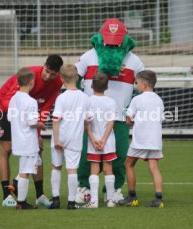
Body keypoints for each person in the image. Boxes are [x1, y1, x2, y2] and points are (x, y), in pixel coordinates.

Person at [75, 18, 145, 203]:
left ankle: (112, 190)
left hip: (120, 116)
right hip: (90, 118)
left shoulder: (135, 61)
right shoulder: (89, 56)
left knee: (120, 155)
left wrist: (136, 110)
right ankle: (84, 188)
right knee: (86, 154)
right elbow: (74, 79)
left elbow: (143, 88)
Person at [0, 54, 63, 207]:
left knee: (36, 150)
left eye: (53, 74)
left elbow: (46, 106)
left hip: (29, 113)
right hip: (5, 107)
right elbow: (7, 101)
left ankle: (39, 194)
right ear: (43, 65)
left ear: (58, 73)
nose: (48, 76)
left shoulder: (57, 82)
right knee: (7, 148)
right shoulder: (29, 75)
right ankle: (7, 195)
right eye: (47, 71)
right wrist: (25, 123)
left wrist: (36, 134)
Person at [119, 70, 164, 208]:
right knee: (154, 167)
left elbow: (128, 120)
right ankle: (159, 199)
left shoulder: (137, 99)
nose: (135, 85)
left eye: (136, 82)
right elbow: (160, 119)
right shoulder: (159, 100)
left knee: (128, 164)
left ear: (144, 84)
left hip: (140, 140)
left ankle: (132, 197)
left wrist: (132, 120)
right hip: (155, 140)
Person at [48, 64, 89, 210]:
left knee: (56, 167)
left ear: (61, 78)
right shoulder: (85, 98)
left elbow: (56, 119)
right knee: (72, 170)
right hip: (75, 139)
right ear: (77, 78)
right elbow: (88, 118)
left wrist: (57, 140)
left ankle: (56, 200)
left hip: (59, 137)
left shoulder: (61, 98)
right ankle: (71, 202)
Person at [7, 68, 41, 210]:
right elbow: (32, 123)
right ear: (32, 82)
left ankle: (15, 183)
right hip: (28, 141)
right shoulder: (31, 101)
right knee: (26, 171)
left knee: (35, 164)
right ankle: (21, 202)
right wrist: (42, 126)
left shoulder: (13, 99)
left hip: (18, 140)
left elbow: (9, 118)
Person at [83, 73, 117, 209]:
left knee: (94, 169)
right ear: (107, 86)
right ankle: (110, 200)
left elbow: (87, 123)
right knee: (108, 168)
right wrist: (103, 139)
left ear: (91, 86)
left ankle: (94, 201)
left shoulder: (87, 101)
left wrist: (93, 139)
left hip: (93, 142)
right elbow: (111, 122)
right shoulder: (111, 102)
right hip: (107, 141)